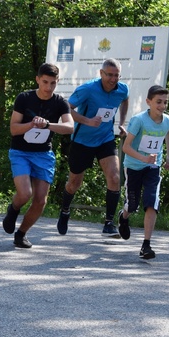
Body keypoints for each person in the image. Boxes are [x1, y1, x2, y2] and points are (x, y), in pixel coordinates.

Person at [2, 63, 74, 248]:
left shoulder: (60, 102)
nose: (48, 87)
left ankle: (21, 233)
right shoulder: (24, 98)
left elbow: (69, 127)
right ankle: (13, 209)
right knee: (25, 193)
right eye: (45, 82)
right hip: (21, 153)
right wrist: (32, 124)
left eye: (53, 83)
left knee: (41, 200)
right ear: (37, 79)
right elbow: (13, 129)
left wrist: (48, 125)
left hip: (43, 154)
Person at [58, 58, 129, 236]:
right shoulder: (88, 89)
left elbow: (125, 100)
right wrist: (87, 120)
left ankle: (109, 223)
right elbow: (66, 108)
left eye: (116, 75)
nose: (113, 79)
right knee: (74, 183)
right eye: (109, 75)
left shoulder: (122, 89)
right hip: (82, 140)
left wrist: (121, 122)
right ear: (101, 73)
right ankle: (65, 210)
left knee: (114, 176)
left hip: (105, 139)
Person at [119, 85, 169, 259]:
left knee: (152, 202)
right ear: (148, 102)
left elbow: (168, 133)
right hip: (134, 166)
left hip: (153, 167)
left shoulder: (168, 120)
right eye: (158, 102)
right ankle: (124, 216)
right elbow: (126, 147)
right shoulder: (139, 120)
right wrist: (143, 159)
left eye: (165, 102)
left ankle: (146, 245)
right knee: (133, 205)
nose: (162, 106)